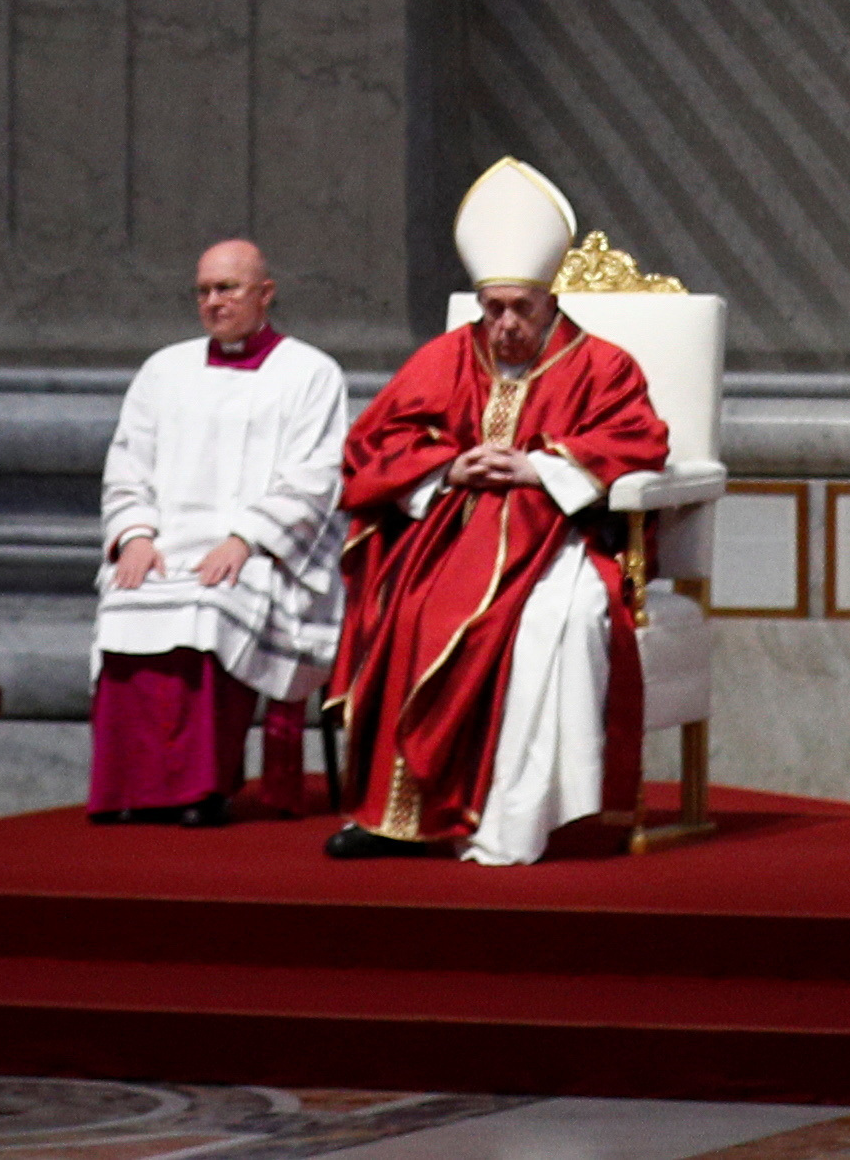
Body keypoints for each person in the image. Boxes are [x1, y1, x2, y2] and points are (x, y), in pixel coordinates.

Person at [325, 158, 670, 864]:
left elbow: (639, 441)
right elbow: (371, 442)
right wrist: (447, 465)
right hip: (444, 534)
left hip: (556, 537)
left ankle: (504, 810)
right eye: (493, 309)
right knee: (408, 612)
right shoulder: (448, 355)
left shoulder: (603, 365)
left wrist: (539, 467)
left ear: (550, 300)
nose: (505, 325)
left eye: (521, 308)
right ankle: (395, 815)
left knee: (543, 622)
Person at [90, 240, 344, 824]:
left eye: (227, 288)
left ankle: (201, 791)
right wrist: (134, 535)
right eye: (203, 291)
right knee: (125, 601)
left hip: (258, 551)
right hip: (164, 545)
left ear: (265, 293)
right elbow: (127, 461)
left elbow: (316, 475)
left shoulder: (310, 372)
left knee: (210, 607)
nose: (213, 301)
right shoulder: (163, 370)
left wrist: (246, 538)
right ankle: (129, 791)